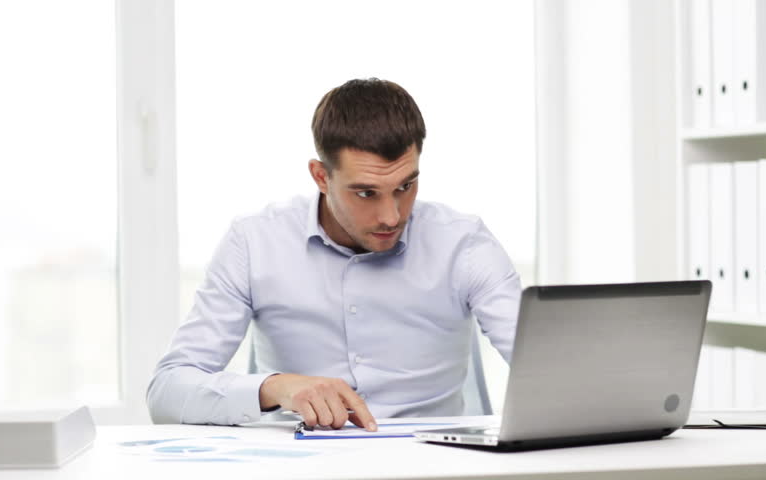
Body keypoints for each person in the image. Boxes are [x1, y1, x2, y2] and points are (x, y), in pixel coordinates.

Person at [147, 78, 520, 432]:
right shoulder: (254, 243)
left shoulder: (464, 244)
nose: (392, 216)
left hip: (434, 463)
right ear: (321, 177)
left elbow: (548, 370)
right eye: (365, 193)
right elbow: (167, 392)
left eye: (405, 186)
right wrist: (277, 388)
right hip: (303, 466)